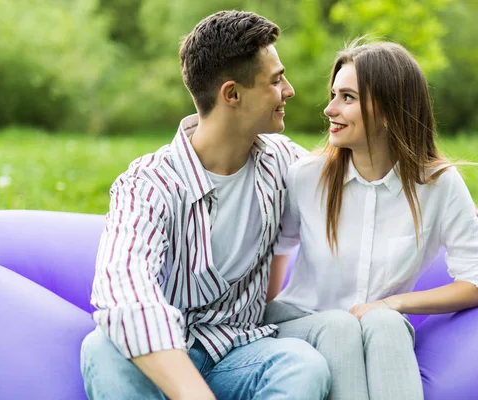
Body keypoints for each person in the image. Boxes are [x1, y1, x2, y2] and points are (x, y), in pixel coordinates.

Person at [80, 10, 332, 400]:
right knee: (101, 348)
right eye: (276, 80)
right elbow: (124, 291)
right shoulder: (148, 184)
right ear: (231, 94)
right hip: (165, 356)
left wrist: (448, 207)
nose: (290, 90)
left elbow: (359, 189)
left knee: (303, 364)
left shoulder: (284, 162)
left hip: (239, 352)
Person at [265, 40, 478, 400]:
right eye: (333, 94)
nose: (329, 109)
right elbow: (277, 250)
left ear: (389, 110)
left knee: (386, 322)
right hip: (301, 322)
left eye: (348, 98)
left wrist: (393, 303)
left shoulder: (439, 185)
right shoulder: (306, 177)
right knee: (341, 326)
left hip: (374, 327)